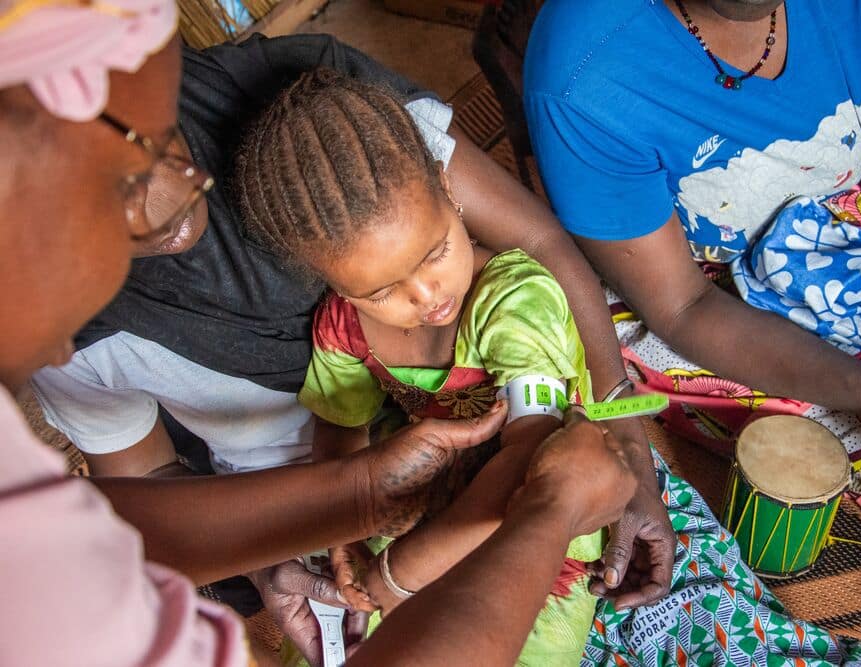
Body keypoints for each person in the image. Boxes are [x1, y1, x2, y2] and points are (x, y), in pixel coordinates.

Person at [0, 4, 643, 663]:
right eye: (121, 184)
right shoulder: (49, 563)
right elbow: (154, 497)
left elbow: (528, 454)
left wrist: (383, 548)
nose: (177, 189)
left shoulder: (331, 125)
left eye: (168, 138)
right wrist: (343, 536)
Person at [233, 67, 861, 667]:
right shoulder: (342, 328)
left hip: (546, 508)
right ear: (334, 285)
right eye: (382, 292)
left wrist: (398, 576)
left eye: (435, 253)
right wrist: (344, 536)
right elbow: (340, 432)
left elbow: (531, 462)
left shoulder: (513, 300)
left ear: (450, 193)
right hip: (431, 500)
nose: (427, 297)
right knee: (332, 641)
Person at [525, 0, 861, 589]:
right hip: (704, 287)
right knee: (858, 449)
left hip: (849, 220)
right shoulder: (589, 71)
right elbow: (684, 307)